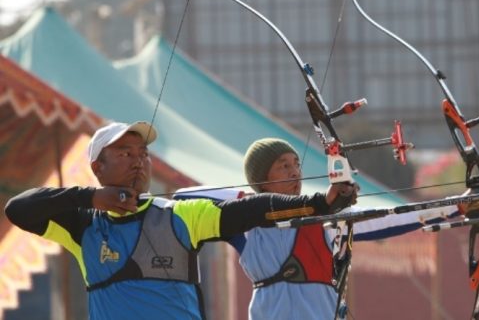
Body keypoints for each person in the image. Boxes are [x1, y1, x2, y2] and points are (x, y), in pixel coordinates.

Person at [4, 122, 358, 320]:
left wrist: (319, 202)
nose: (138, 161)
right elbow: (18, 209)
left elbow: (252, 209)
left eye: (143, 154)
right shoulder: (83, 226)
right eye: (125, 153)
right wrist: (90, 197)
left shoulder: (179, 215)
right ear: (98, 167)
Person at [174, 137, 479, 320]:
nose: (294, 171)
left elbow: (386, 217)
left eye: (295, 163)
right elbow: (182, 198)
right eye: (282, 166)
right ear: (261, 178)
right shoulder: (243, 222)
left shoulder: (324, 218)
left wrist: (455, 205)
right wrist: (253, 199)